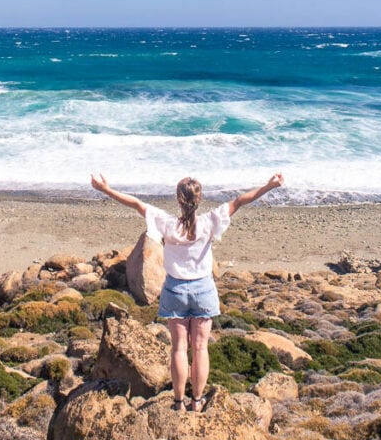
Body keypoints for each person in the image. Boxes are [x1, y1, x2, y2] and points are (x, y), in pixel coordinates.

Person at [90, 171, 284, 412]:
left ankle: (179, 402)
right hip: (203, 288)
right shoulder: (210, 221)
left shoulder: (167, 223)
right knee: (200, 348)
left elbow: (136, 204)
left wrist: (106, 190)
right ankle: (198, 400)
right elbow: (241, 200)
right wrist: (269, 186)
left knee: (179, 348)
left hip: (175, 289)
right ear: (199, 199)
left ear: (179, 200)